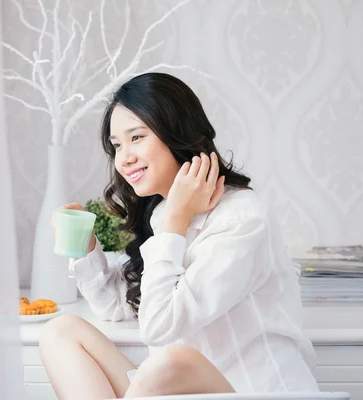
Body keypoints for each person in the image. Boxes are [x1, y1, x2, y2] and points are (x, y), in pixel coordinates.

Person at [40, 73, 318, 399]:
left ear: (176, 132)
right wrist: (87, 247)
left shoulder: (241, 219)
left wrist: (176, 221)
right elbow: (118, 306)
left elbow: (159, 327)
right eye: (117, 145)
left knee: (169, 362)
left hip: (250, 392)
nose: (124, 157)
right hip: (176, 391)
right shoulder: (163, 212)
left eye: (137, 137)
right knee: (62, 331)